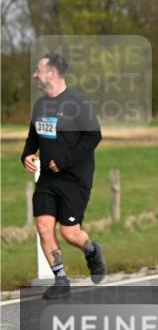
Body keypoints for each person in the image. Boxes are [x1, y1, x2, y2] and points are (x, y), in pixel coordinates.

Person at [21, 54, 106, 299]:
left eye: (39, 70)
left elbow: (94, 136)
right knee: (44, 227)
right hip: (47, 178)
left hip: (74, 179)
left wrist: (65, 161)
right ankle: (61, 279)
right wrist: (27, 155)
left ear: (52, 72)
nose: (35, 74)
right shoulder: (40, 106)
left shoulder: (77, 103)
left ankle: (91, 251)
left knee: (70, 233)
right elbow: (33, 139)